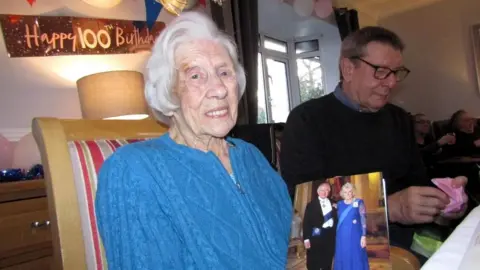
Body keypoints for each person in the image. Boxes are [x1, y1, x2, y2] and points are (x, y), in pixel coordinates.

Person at [95, 11, 292, 269]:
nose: (219, 89)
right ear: (169, 91)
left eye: (224, 72)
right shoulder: (133, 171)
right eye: (196, 76)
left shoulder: (251, 156)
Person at [280, 26, 467, 259]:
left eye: (396, 72)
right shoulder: (307, 119)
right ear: (348, 68)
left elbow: (416, 180)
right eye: (381, 71)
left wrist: (443, 200)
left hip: (406, 244)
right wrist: (389, 208)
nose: (391, 83)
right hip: (341, 250)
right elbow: (305, 203)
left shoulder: (398, 118)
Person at [334, 183, 369, 270]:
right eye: (345, 192)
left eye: (350, 192)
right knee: (343, 254)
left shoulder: (359, 202)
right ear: (342, 193)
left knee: (356, 254)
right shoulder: (339, 204)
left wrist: (363, 236)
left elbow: (363, 219)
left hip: (355, 235)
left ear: (353, 192)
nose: (348, 194)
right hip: (341, 236)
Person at [302, 182, 337, 270]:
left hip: (330, 235)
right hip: (316, 235)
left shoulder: (334, 203)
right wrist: (306, 238)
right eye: (322, 190)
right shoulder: (311, 205)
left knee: (327, 260)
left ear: (329, 192)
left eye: (326, 190)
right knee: (314, 261)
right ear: (318, 192)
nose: (324, 192)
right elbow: (306, 222)